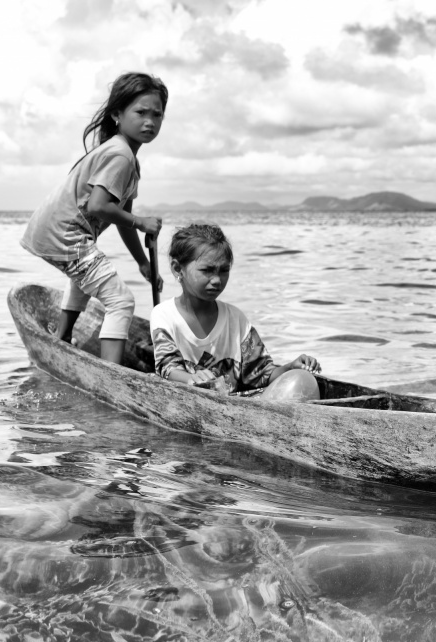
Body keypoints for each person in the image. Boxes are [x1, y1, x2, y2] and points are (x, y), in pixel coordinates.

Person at [21, 72, 167, 364]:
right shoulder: (121, 156)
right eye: (140, 112)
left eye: (157, 114)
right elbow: (100, 206)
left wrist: (142, 262)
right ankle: (111, 373)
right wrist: (140, 222)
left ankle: (61, 337)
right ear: (117, 114)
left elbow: (121, 216)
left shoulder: (126, 158)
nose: (149, 121)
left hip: (56, 233)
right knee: (121, 301)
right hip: (66, 235)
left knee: (85, 277)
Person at [150, 223, 321, 401]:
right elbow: (168, 367)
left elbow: (260, 373)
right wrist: (190, 378)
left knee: (301, 380)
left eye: (224, 271)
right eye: (207, 270)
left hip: (235, 404)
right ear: (178, 268)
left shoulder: (235, 318)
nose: (216, 280)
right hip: (188, 399)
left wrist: (289, 368)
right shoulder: (164, 314)